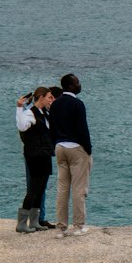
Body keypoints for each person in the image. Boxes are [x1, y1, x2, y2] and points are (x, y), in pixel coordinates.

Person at [48, 72, 92, 235]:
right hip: (76, 148)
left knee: (62, 188)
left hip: (60, 147)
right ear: (70, 86)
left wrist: (55, 144)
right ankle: (79, 226)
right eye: (77, 82)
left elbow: (52, 129)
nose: (79, 84)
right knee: (78, 189)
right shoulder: (77, 104)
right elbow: (83, 130)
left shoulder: (55, 104)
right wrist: (88, 149)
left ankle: (60, 228)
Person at [15, 87, 54, 232]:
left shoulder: (45, 113)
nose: (51, 100)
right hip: (34, 155)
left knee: (41, 187)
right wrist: (19, 107)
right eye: (49, 97)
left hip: (45, 154)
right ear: (41, 97)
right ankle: (21, 223)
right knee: (34, 188)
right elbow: (22, 126)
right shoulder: (30, 113)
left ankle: (34, 221)